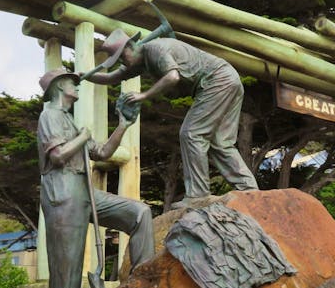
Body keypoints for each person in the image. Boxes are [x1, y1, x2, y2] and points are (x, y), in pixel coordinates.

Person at [36, 68, 154, 288]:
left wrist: (124, 124)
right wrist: (82, 136)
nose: (76, 87)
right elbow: (58, 156)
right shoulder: (49, 115)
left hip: (83, 192)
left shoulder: (69, 120)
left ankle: (142, 287)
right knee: (68, 266)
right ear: (58, 87)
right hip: (62, 194)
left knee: (140, 213)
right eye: (72, 83)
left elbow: (101, 152)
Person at [83, 29, 258, 207]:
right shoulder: (140, 60)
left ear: (131, 46)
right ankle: (250, 190)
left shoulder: (155, 50)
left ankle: (197, 195)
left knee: (191, 134)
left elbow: (172, 76)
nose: (122, 62)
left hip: (218, 81)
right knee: (220, 143)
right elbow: (112, 77)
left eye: (122, 57)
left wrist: (144, 95)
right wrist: (84, 76)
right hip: (229, 79)